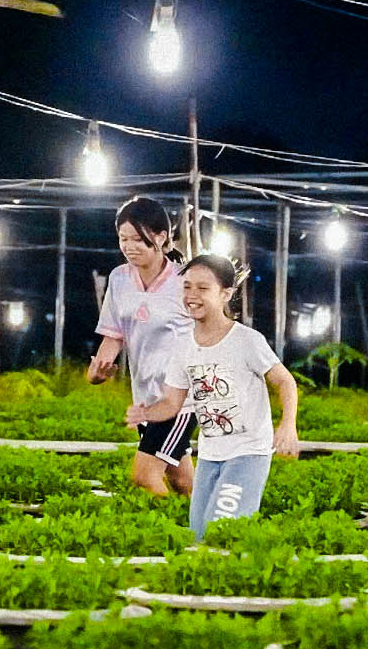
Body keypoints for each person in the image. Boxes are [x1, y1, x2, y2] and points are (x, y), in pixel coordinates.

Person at [137, 254, 300, 538]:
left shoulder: (247, 340)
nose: (192, 295)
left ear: (226, 293)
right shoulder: (182, 346)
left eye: (203, 288)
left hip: (247, 453)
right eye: (187, 287)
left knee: (220, 533)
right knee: (199, 535)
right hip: (210, 455)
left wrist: (288, 426)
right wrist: (146, 413)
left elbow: (285, 382)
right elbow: (172, 403)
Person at [90, 196, 194, 495]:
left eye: (138, 239)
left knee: (144, 475)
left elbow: (210, 332)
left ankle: (171, 537)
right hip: (145, 398)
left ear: (161, 237)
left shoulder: (185, 281)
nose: (129, 246)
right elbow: (114, 335)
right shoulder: (119, 278)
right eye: (123, 239)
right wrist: (98, 370)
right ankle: (217, 529)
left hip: (179, 400)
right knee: (181, 479)